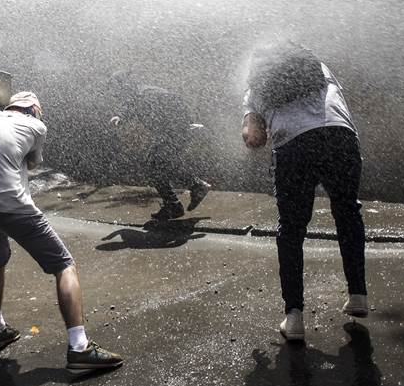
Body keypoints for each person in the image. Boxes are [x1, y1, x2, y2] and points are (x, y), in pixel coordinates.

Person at [0, 90, 123, 371]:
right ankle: (80, 348)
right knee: (64, 265)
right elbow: (33, 163)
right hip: (12, 205)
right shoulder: (36, 126)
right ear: (34, 109)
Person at [241, 42, 366, 343]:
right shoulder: (320, 70)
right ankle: (358, 294)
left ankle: (294, 316)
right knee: (347, 210)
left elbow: (253, 136)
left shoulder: (257, 88)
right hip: (341, 135)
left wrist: (257, 127)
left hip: (295, 145)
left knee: (292, 229)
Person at [108, 74, 210, 220]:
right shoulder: (139, 94)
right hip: (173, 131)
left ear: (125, 86)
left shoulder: (147, 95)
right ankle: (191, 190)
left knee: (154, 166)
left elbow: (175, 102)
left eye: (117, 90)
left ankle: (178, 201)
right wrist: (121, 117)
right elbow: (131, 106)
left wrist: (181, 126)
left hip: (176, 131)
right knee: (160, 165)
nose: (116, 95)